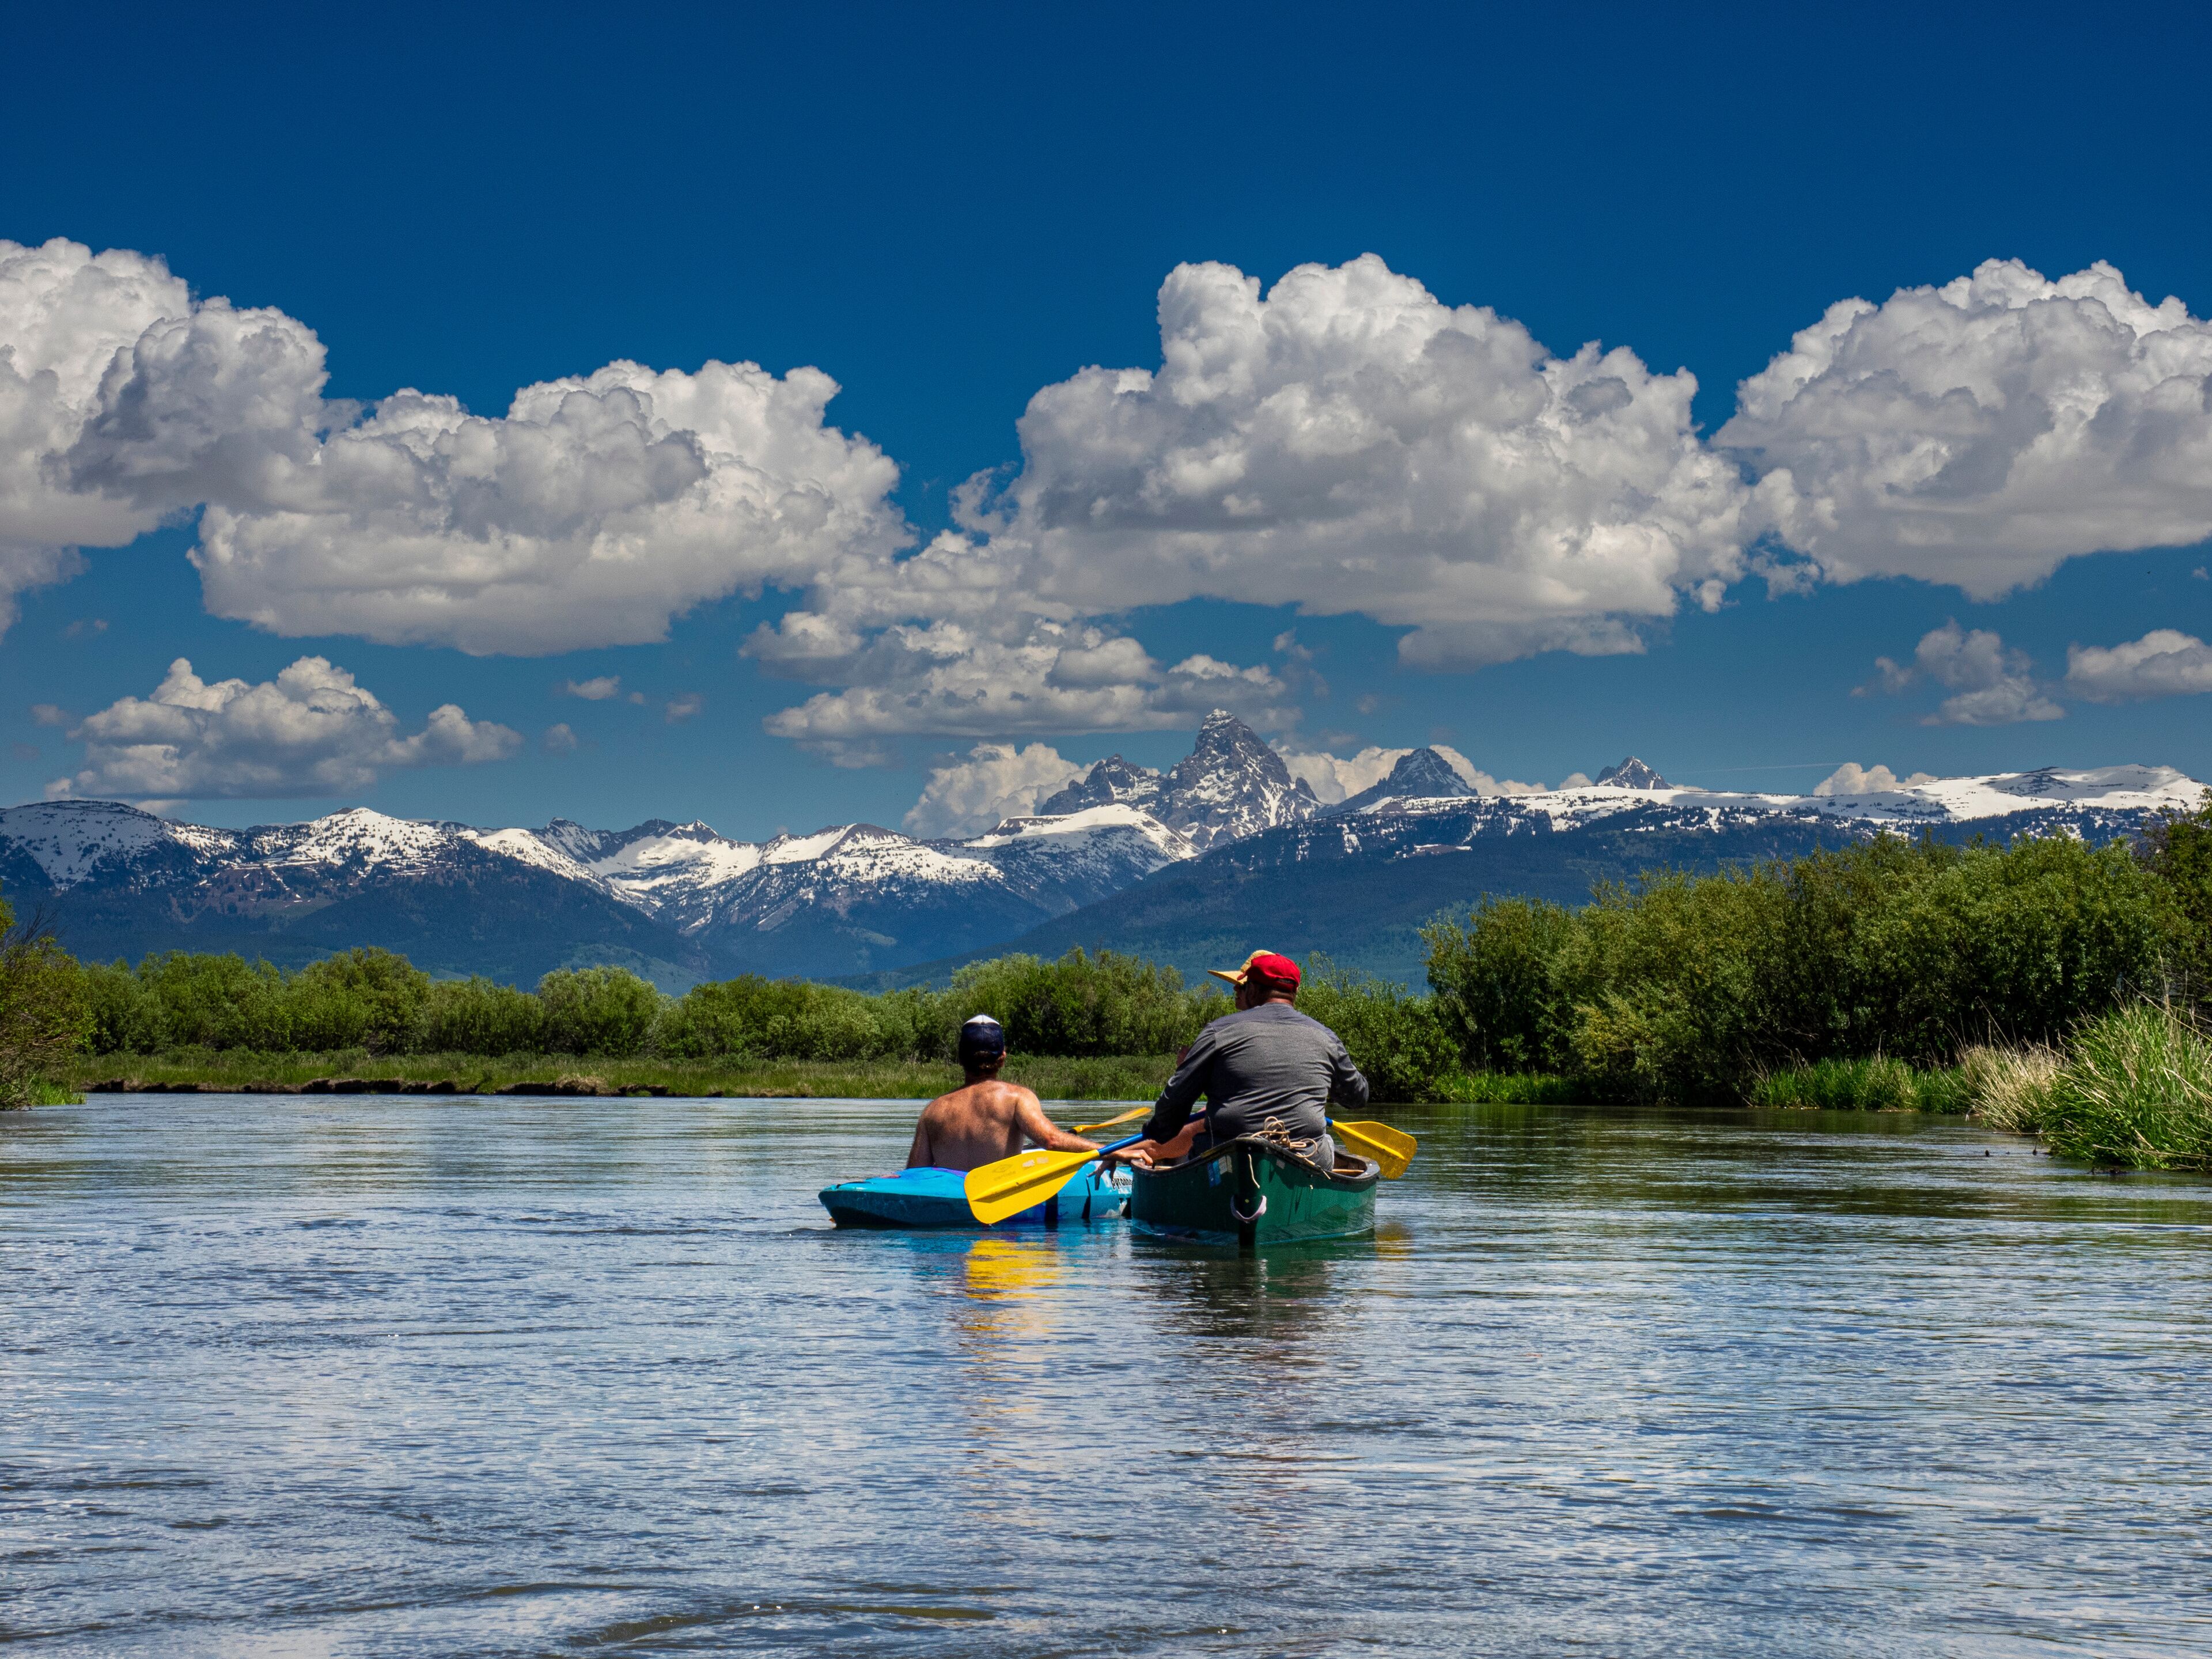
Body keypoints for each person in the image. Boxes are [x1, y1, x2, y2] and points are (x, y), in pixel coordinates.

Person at [1116, 950, 1368, 1172]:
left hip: (1228, 1159)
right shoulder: (1327, 1038)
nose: (1238, 991)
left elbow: (1173, 1102)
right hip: (1306, 1158)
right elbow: (1357, 1097)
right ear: (1295, 992)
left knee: (1196, 1151)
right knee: (1328, 1144)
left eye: (1243, 986)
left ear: (1254, 989)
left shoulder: (1218, 1032)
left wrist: (1156, 1132)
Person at [905, 1014, 1099, 1172]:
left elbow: (914, 1174)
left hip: (950, 1200)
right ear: (1003, 1058)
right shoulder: (1017, 1098)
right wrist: (1110, 1151)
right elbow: (1051, 1140)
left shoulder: (933, 1111)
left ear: (960, 1058)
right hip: (996, 1205)